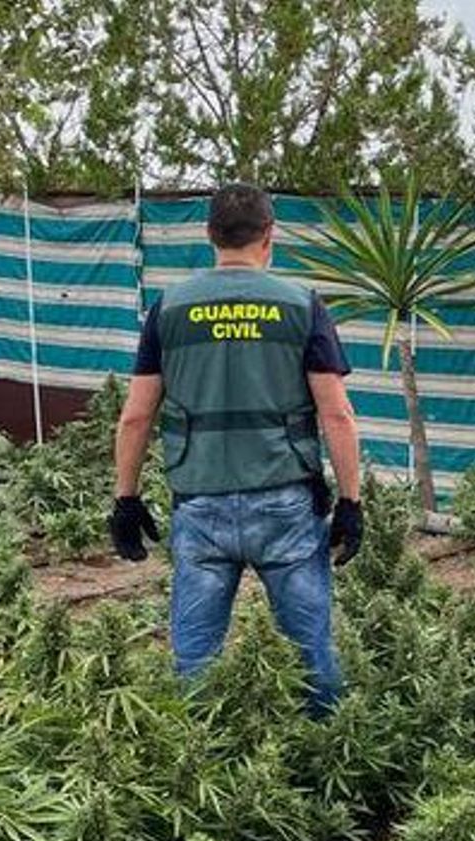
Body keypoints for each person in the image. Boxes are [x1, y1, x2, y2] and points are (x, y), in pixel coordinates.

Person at [107, 182, 362, 715]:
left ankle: (199, 759)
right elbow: (337, 413)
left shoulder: (169, 309)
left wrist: (125, 500)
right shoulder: (301, 306)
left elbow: (135, 415)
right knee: (311, 653)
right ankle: (324, 760)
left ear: (209, 235)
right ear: (270, 235)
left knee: (195, 663)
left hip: (200, 501)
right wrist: (350, 502)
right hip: (285, 504)